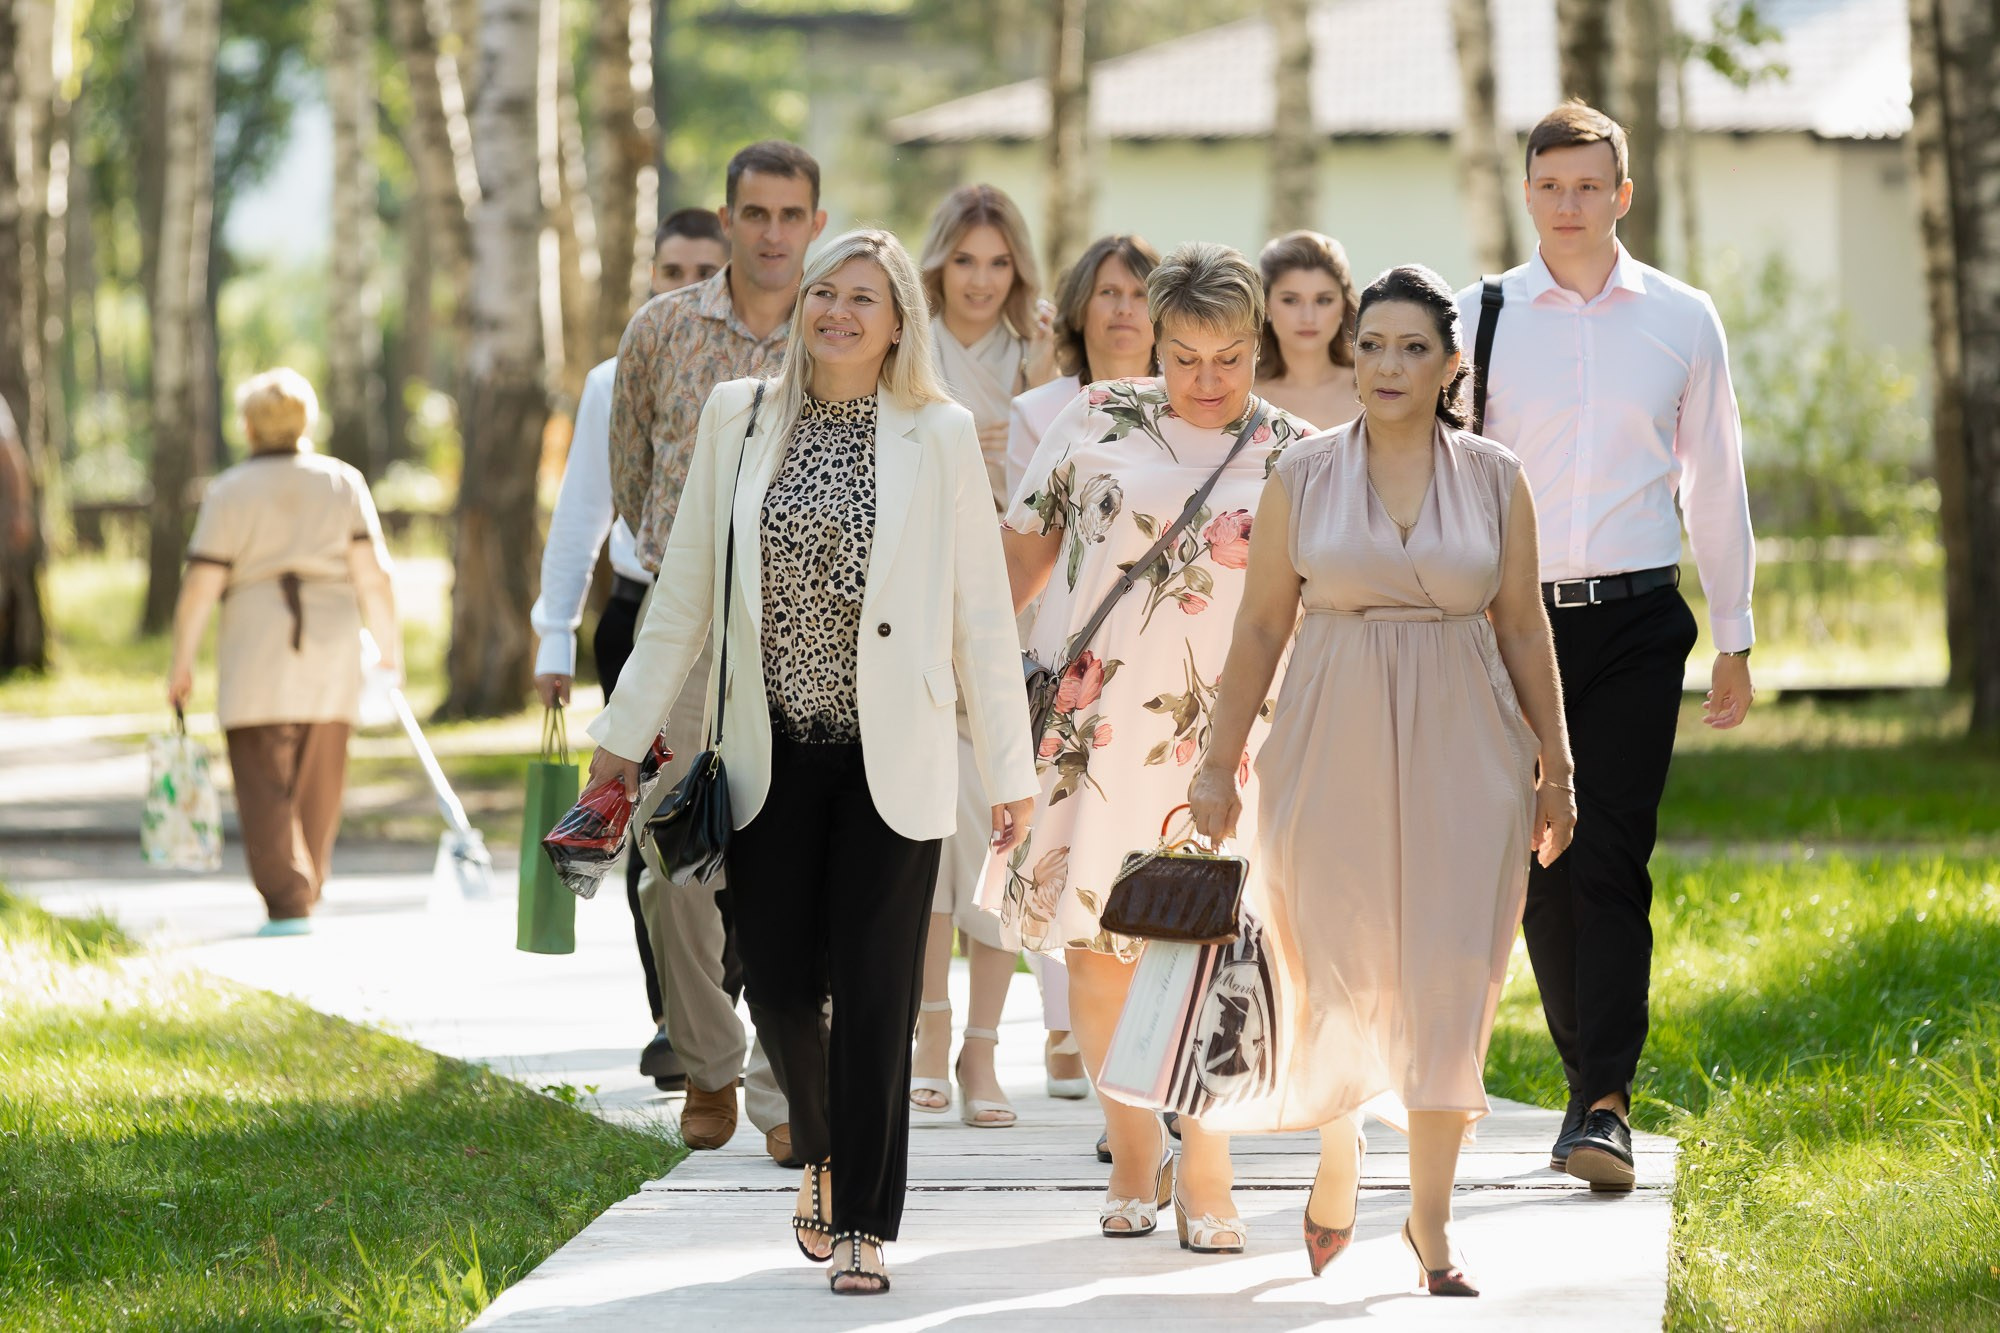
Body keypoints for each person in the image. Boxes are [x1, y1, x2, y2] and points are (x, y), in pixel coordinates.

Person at [585, 229, 1039, 1294]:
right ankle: (827, 1148)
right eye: (824, 292)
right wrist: (618, 746)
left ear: (896, 324)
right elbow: (684, 595)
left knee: (878, 995)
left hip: (896, 756)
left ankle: (863, 1223)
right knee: (783, 984)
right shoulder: (736, 417)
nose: (837, 311)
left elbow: (980, 615)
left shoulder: (939, 432)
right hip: (768, 755)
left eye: (863, 298)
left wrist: (1011, 776)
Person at [1190, 264, 1576, 1294]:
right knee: (1331, 961)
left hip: (1470, 747)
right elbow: (1261, 623)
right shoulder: (1300, 476)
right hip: (1326, 739)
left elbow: (1522, 623)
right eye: (1370, 346)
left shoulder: (1494, 475)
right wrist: (1216, 763)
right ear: (1349, 357)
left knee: (1452, 976)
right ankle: (1342, 1141)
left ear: (1450, 365)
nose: (1387, 365)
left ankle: (1432, 1225)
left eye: (1412, 348)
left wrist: (1556, 770)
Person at [986, 242, 1316, 1251]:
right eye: (1183, 357)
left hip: (1238, 743)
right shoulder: (1094, 420)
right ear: (1151, 340)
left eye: (1227, 358)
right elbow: (1020, 567)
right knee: (1098, 947)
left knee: (1221, 951)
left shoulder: (1301, 451)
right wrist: (984, 705)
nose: (1205, 382)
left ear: (1256, 344)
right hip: (1095, 729)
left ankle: (1206, 1160)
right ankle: (1134, 1148)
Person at [1454, 100, 1755, 1192]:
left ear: (1620, 195)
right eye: (1549, 185)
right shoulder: (1475, 317)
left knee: (1610, 853)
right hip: (1505, 625)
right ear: (1525, 194)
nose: (1568, 204)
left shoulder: (1681, 319)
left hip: (1634, 622)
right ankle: (1585, 1084)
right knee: (1540, 863)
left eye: (1588, 185)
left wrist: (1733, 634)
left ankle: (1604, 1103)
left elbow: (1711, 480)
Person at [608, 140, 828, 1165]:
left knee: (802, 866)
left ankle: (784, 1084)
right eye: (755, 213)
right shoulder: (661, 330)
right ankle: (706, 1059)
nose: (773, 233)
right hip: (686, 630)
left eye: (791, 214)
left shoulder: (844, 329)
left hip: (806, 635)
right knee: (670, 868)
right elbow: (633, 478)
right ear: (727, 218)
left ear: (815, 223)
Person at [531, 207, 729, 1094]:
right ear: (650, 275)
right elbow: (582, 512)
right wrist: (552, 630)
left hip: (742, 625)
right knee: (651, 829)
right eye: (669, 266)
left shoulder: (768, 371)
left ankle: (729, 1004)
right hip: (641, 616)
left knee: (741, 819)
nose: (684, 281)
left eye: (702, 267)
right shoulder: (619, 374)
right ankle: (670, 1018)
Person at [1001, 231, 1162, 1112]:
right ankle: (1108, 1080)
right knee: (1075, 880)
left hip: (1178, 693)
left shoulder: (1247, 427)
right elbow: (1018, 560)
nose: (1125, 307)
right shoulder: (1061, 415)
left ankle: (1156, 1094)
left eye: (1142, 291)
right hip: (1075, 670)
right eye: (1108, 291)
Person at [910, 183, 1059, 1128]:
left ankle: (983, 1053)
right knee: (929, 835)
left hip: (1012, 609)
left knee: (1003, 830)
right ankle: (929, 1034)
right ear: (937, 264)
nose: (979, 279)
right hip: (919, 609)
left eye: (997, 261)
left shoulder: (1037, 352)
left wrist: (1031, 411)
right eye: (964, 259)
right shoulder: (908, 340)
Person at [167, 369, 401, 936]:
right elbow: (374, 577)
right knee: (322, 771)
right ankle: (305, 886)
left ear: (246, 426)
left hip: (256, 645)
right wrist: (390, 654)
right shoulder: (342, 481)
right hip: (331, 640)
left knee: (261, 774)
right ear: (307, 422)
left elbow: (200, 586)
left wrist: (181, 663)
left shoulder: (229, 490)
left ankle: (288, 897)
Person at [1254, 230, 1362, 431]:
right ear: (1267, 304)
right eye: (1291, 300)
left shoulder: (1370, 391)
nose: (1308, 317)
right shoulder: (1243, 397)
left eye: (1323, 300)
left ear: (1343, 305)